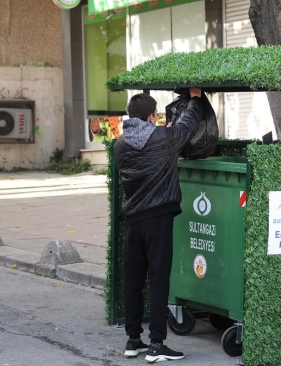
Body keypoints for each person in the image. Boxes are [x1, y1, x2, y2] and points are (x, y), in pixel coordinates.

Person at [114, 88, 203, 363]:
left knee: (134, 279)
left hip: (134, 220)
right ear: (152, 116)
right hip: (159, 218)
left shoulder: (119, 144)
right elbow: (188, 126)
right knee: (159, 279)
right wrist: (196, 99)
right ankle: (156, 344)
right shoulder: (163, 138)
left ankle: (133, 340)